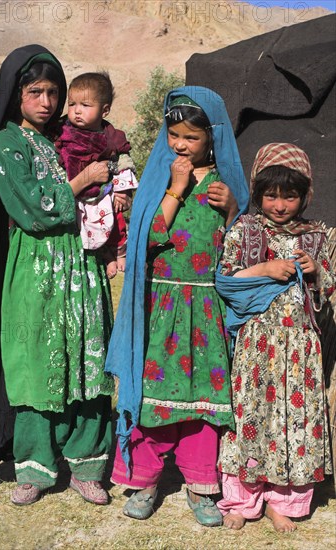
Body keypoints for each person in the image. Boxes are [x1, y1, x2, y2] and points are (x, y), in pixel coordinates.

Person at [0, 45, 117, 505]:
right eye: (36, 91)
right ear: (16, 95)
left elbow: (109, 176)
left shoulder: (67, 136)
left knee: (88, 362)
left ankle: (88, 465)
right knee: (36, 363)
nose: (48, 102)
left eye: (54, 92)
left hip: (83, 266)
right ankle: (34, 468)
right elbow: (34, 208)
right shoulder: (7, 142)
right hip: (36, 269)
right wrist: (78, 183)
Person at [105, 87, 249, 525]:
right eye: (174, 135)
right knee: (153, 394)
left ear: (213, 137)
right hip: (162, 304)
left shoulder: (226, 185)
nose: (181, 145)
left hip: (205, 307)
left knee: (203, 400)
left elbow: (240, 244)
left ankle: (202, 485)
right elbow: (147, 238)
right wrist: (176, 188)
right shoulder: (161, 177)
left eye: (191, 137)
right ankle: (144, 482)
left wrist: (229, 212)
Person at [216, 143, 334, 532]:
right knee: (251, 418)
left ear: (306, 195)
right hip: (256, 347)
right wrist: (265, 267)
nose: (280, 205)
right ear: (257, 192)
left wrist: (316, 270)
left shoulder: (320, 236)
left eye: (290, 195)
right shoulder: (245, 230)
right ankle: (242, 500)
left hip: (300, 349)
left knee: (293, 423)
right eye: (270, 195)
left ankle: (281, 502)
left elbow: (329, 292)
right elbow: (225, 279)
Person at [55, 72, 138, 279]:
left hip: (103, 193)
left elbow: (124, 161)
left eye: (85, 105)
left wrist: (123, 190)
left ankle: (120, 252)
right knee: (85, 228)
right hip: (75, 193)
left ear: (105, 110)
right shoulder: (62, 131)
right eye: (72, 104)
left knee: (115, 220)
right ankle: (105, 256)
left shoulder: (111, 137)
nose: (76, 111)